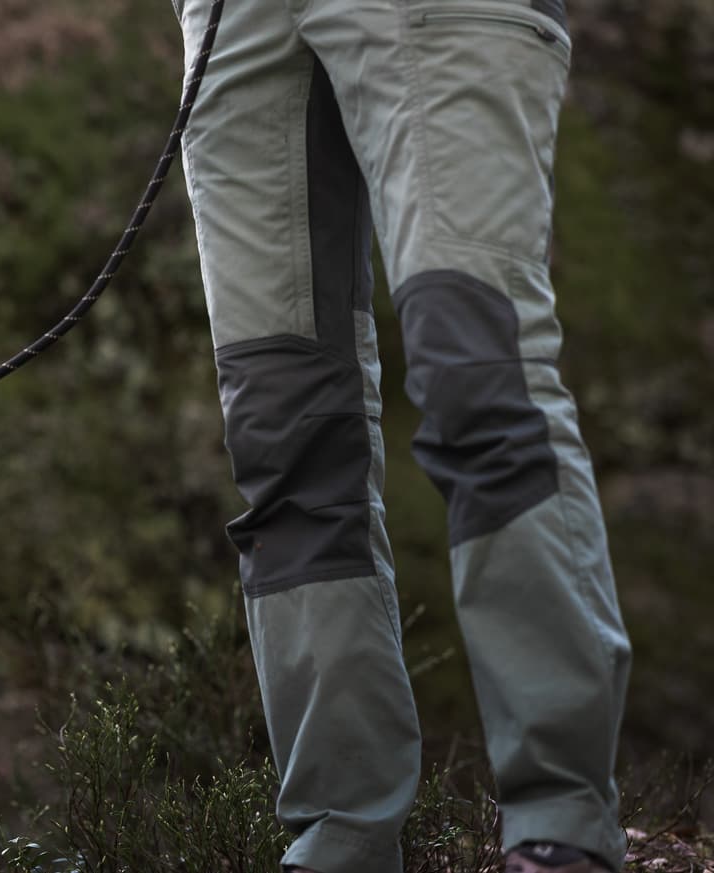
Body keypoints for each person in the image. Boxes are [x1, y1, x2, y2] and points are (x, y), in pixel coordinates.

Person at [168, 0, 633, 870]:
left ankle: (562, 822)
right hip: (240, 19)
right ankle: (339, 831)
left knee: (479, 373)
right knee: (283, 432)